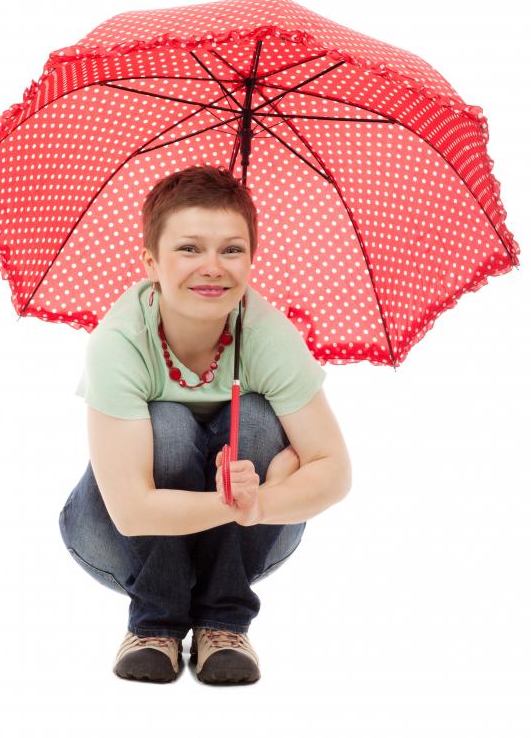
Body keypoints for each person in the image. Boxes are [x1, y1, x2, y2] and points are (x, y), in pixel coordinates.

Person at [58, 164, 350, 685]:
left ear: (252, 259)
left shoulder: (266, 334)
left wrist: (262, 503)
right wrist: (233, 503)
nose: (212, 267)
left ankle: (223, 620)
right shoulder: (119, 341)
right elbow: (129, 512)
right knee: (167, 423)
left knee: (258, 421)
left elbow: (335, 470)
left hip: (241, 547)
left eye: (232, 250)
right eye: (190, 248)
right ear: (151, 261)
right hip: (115, 539)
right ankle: (156, 624)